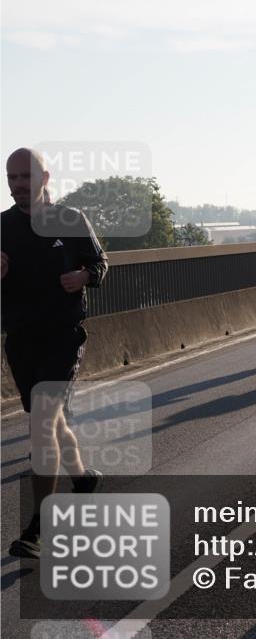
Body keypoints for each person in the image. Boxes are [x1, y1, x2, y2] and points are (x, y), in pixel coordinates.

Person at [2, 148, 108, 559]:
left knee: (43, 422)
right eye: (11, 178)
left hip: (62, 335)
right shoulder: (2, 227)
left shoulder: (71, 221)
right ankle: (82, 478)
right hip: (21, 339)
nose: (17, 185)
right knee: (50, 419)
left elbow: (100, 263)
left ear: (44, 177)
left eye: (25, 177)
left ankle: (39, 528)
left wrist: (84, 275)